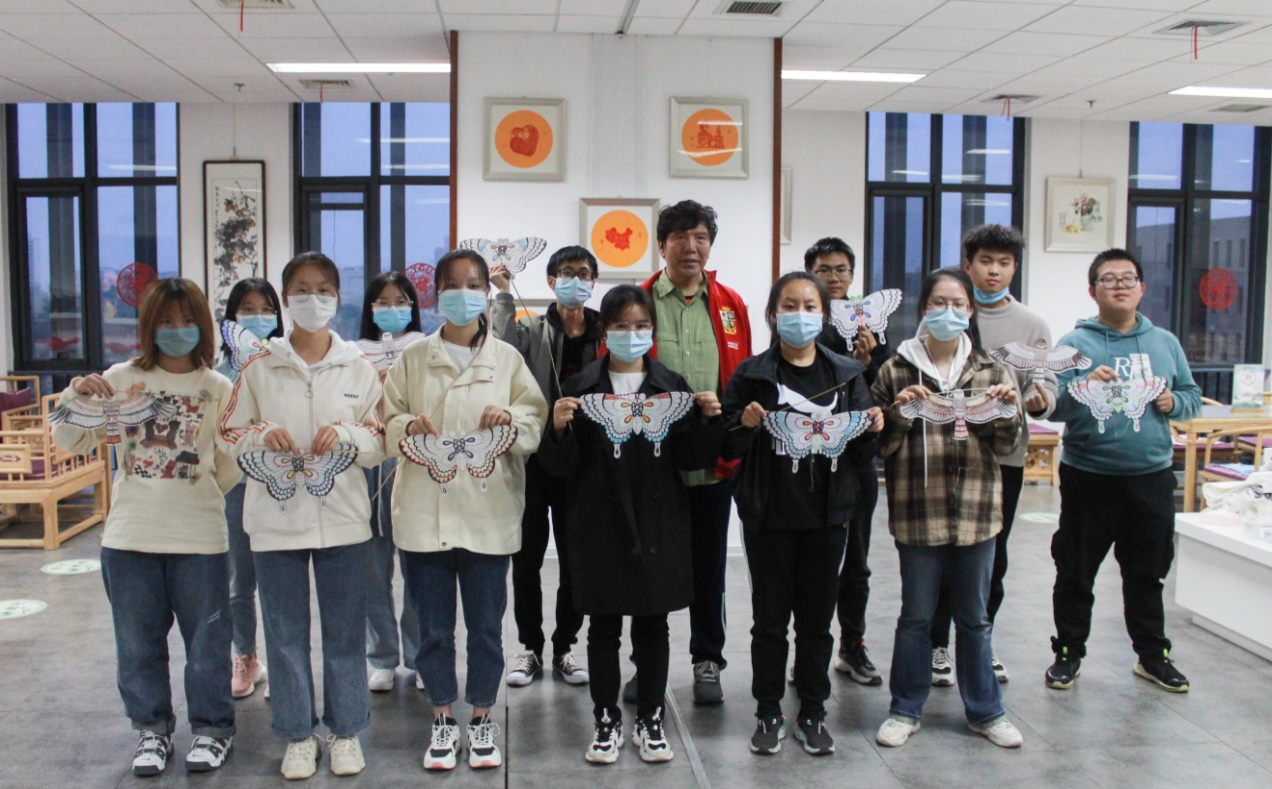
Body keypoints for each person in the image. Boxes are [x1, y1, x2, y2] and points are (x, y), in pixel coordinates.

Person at [53, 278, 241, 776]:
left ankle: (212, 730)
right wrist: (76, 394)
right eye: (166, 321)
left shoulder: (217, 387)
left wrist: (196, 492)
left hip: (200, 539)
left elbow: (230, 463)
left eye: (187, 321)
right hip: (130, 538)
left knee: (208, 644)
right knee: (137, 646)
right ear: (148, 326)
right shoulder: (120, 379)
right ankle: (152, 731)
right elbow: (70, 441)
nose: (177, 330)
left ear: (203, 327)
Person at [218, 252, 386, 780]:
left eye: (324, 289)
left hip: (344, 519)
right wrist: (260, 434)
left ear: (337, 297)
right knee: (285, 635)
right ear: (286, 299)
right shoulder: (258, 367)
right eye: (302, 289)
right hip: (275, 520)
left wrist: (348, 435)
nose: (313, 299)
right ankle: (296, 734)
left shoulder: (358, 367)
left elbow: (381, 439)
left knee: (344, 633)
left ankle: (345, 731)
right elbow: (228, 435)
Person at [540, 284, 724, 764]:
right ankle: (605, 720)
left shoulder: (672, 387)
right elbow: (560, 468)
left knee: (653, 624)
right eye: (621, 325)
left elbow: (689, 459)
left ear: (653, 331)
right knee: (602, 626)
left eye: (641, 325)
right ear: (604, 331)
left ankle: (650, 718)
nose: (631, 333)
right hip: (598, 525)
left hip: (659, 523)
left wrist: (707, 422)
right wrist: (556, 428)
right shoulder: (580, 387)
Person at [382, 249, 548, 771]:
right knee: (432, 628)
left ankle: (480, 718)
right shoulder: (413, 358)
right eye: (452, 284)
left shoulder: (507, 359)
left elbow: (534, 420)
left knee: (484, 627)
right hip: (423, 514)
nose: (464, 293)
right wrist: (407, 426)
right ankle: (441, 716)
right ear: (437, 295)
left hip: (487, 511)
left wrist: (510, 420)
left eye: (474, 284)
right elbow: (385, 420)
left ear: (486, 291)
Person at [722, 272, 883, 757]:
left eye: (810, 306)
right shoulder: (752, 374)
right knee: (769, 623)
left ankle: (813, 710)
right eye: (789, 305)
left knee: (816, 622)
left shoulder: (847, 374)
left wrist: (872, 428)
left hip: (827, 518)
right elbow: (725, 444)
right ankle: (768, 710)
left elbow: (862, 454)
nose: (800, 315)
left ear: (824, 314)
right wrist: (744, 424)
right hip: (768, 517)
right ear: (773, 314)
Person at [871, 268, 1024, 750]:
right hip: (919, 513)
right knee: (916, 616)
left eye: (958, 304)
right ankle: (905, 708)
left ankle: (986, 711)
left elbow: (1007, 444)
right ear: (923, 309)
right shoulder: (895, 369)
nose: (948, 312)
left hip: (977, 513)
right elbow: (879, 447)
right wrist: (898, 412)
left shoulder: (991, 370)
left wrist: (1007, 409)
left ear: (970, 311)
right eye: (939, 303)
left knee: (975, 619)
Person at [1046, 248, 1201, 693]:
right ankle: (1068, 653)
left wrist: (1174, 402)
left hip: (1150, 478)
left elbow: (1190, 396)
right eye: (1109, 279)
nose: (1119, 285)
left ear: (1142, 288)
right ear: (1092, 290)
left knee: (1147, 574)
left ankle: (1153, 657)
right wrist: (1082, 386)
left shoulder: (1165, 342)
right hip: (1088, 477)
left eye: (1128, 278)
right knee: (1075, 572)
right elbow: (1053, 407)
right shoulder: (1073, 344)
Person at [927, 225, 1058, 687]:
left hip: (1003, 459)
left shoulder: (1033, 325)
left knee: (993, 557)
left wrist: (1041, 400)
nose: (994, 271)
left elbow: (1045, 385)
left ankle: (979, 642)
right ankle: (937, 644)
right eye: (985, 261)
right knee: (943, 550)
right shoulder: (944, 314)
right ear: (968, 265)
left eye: (1004, 263)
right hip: (947, 454)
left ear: (1014, 268)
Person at [639, 199, 752, 705]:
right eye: (681, 237)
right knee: (652, 568)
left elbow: (743, 379)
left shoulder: (730, 305)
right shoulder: (638, 302)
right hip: (652, 462)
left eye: (701, 237)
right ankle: (649, 667)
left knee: (710, 567)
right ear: (662, 245)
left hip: (712, 462)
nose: (692, 246)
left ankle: (708, 660)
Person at [491, 244, 600, 688]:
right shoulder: (533, 329)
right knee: (527, 560)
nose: (577, 280)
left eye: (584, 273)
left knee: (577, 561)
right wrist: (503, 292)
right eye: (567, 273)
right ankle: (530, 648)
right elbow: (501, 346)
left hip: (584, 464)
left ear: (594, 281)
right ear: (552, 281)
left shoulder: (604, 333)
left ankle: (565, 647)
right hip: (535, 460)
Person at [804, 237, 889, 686]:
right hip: (809, 461)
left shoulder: (870, 326)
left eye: (841, 269)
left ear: (853, 276)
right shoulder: (802, 321)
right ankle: (805, 652)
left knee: (856, 562)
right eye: (824, 269)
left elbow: (881, 396)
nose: (833, 277)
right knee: (811, 565)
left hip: (856, 464)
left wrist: (867, 361)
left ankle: (852, 645)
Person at [356, 271, 426, 694]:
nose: (392, 309)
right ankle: (381, 657)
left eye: (400, 301)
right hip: (368, 468)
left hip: (412, 465)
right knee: (371, 571)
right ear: (370, 308)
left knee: (418, 570)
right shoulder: (354, 353)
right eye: (382, 302)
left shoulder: (424, 348)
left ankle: (420, 657)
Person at [216, 277, 284, 701]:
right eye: (247, 310)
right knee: (240, 582)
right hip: (237, 487)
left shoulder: (284, 361)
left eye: (265, 310)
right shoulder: (219, 371)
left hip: (281, 484)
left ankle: (285, 666)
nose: (257, 317)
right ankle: (246, 657)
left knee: (280, 582)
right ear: (232, 317)